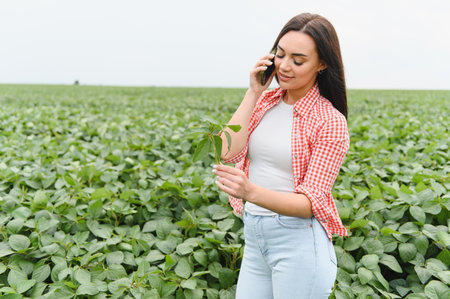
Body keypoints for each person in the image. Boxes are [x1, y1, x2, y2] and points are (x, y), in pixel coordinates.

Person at [212, 13, 349, 298]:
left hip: (298, 244)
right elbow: (227, 151)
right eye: (280, 54)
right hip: (255, 238)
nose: (284, 66)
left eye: (298, 60)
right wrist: (253, 92)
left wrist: (250, 190)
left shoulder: (329, 121)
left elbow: (311, 203)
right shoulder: (265, 101)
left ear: (322, 64)